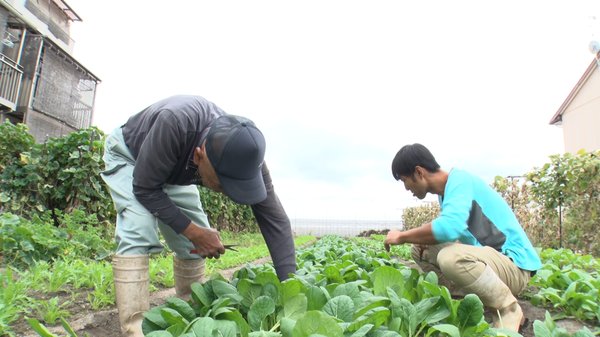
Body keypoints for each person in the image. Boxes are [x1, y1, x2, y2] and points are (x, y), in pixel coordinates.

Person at [100, 95, 296, 337]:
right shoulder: (174, 122)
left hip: (175, 171)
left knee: (193, 236)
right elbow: (144, 187)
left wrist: (291, 287)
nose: (226, 192)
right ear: (198, 156)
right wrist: (194, 232)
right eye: (222, 184)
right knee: (138, 228)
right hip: (132, 156)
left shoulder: (244, 153)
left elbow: (274, 219)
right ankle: (136, 330)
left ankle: (188, 314)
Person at [383, 143, 541, 333]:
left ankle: (508, 309)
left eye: (404, 180)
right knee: (421, 248)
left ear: (419, 172)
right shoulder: (446, 194)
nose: (407, 188)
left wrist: (402, 236)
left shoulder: (459, 181)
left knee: (450, 257)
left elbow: (449, 228)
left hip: (514, 265)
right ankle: (463, 302)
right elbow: (461, 234)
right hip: (491, 264)